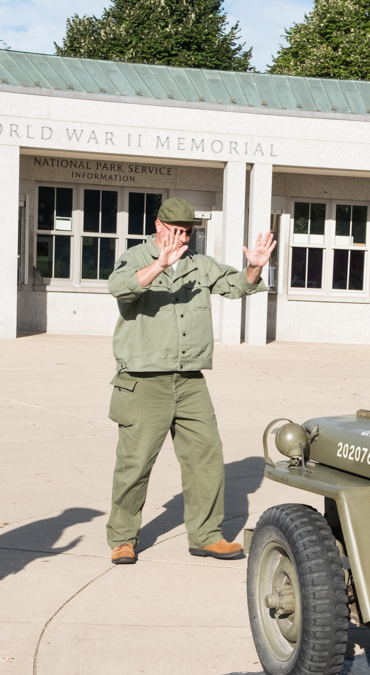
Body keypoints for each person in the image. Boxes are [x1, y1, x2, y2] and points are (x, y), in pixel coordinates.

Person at [104, 198, 276, 564]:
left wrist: (253, 269)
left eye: (188, 231)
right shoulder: (136, 258)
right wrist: (159, 264)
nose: (182, 237)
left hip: (190, 380)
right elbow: (120, 288)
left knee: (206, 458)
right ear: (158, 226)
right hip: (142, 379)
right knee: (134, 463)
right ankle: (123, 537)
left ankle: (206, 535)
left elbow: (236, 286)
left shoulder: (200, 265)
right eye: (176, 230)